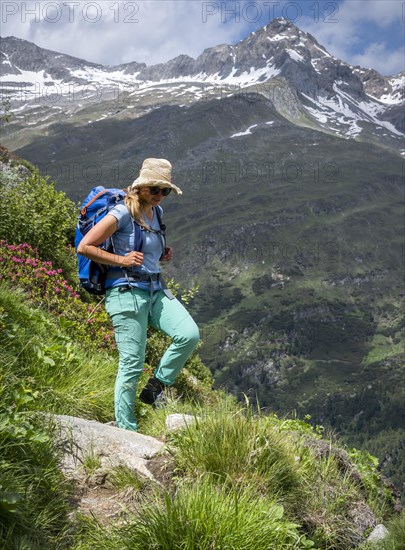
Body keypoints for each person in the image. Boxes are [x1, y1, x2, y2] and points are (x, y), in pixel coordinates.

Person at [77, 158, 200, 431]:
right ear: (140, 187)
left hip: (155, 289)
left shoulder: (157, 214)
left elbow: (148, 251)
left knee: (189, 334)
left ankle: (156, 386)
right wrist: (122, 261)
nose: (158, 196)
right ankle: (126, 430)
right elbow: (85, 247)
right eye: (153, 190)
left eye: (164, 191)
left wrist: (162, 254)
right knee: (132, 363)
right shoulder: (121, 213)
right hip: (125, 292)